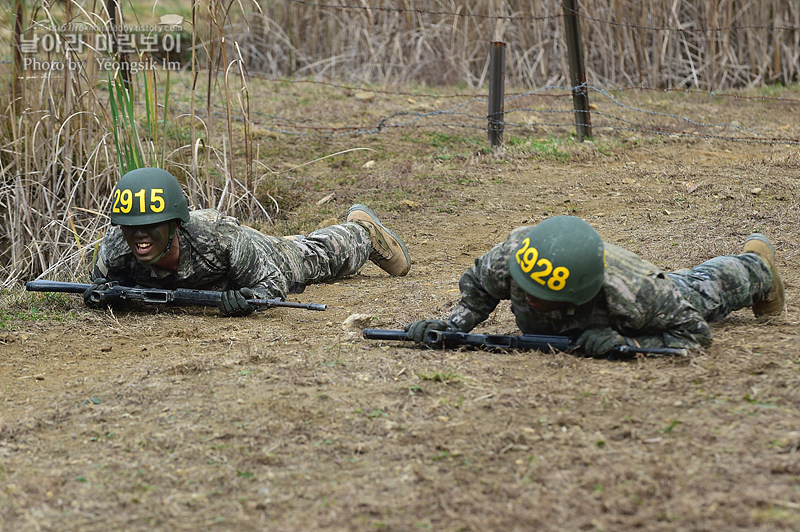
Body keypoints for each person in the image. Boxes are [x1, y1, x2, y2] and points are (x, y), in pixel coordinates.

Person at [405, 215, 784, 356]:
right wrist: (452, 326)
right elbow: (479, 290)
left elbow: (696, 336)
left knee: (700, 292)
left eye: (545, 296)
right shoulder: (511, 258)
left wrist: (631, 343)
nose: (532, 301)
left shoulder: (636, 293)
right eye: (527, 291)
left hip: (634, 292)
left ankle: (757, 267)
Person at [86, 167, 411, 316]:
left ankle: (362, 231)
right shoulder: (115, 247)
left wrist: (250, 300)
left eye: (151, 226)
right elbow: (105, 285)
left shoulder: (218, 236)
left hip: (259, 256)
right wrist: (105, 297)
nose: (139, 236)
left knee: (314, 255)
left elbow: (271, 282)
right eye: (131, 227)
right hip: (232, 269)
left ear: (174, 224)